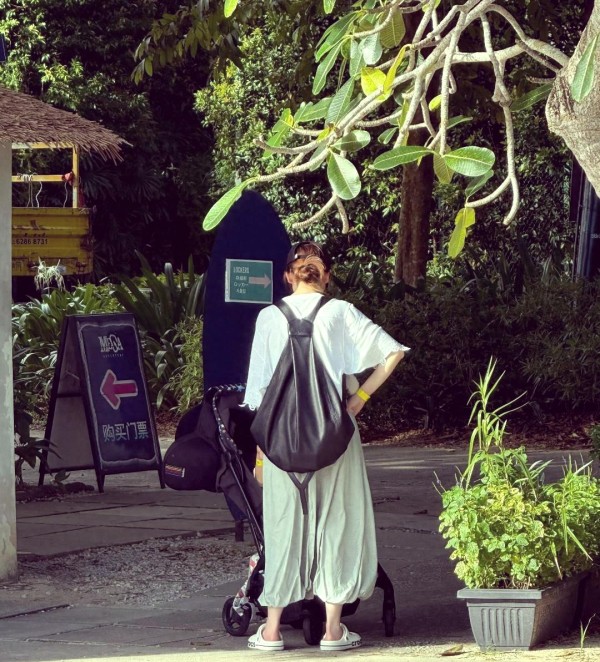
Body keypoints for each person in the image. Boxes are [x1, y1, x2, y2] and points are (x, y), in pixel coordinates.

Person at [243, 241, 409, 652]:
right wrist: (358, 400)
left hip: (281, 442)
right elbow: (392, 352)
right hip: (335, 436)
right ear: (326, 276)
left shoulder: (268, 318)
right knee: (337, 525)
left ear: (288, 275)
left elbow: (258, 396)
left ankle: (271, 631)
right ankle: (333, 631)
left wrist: (261, 455)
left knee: (282, 527)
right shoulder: (340, 312)